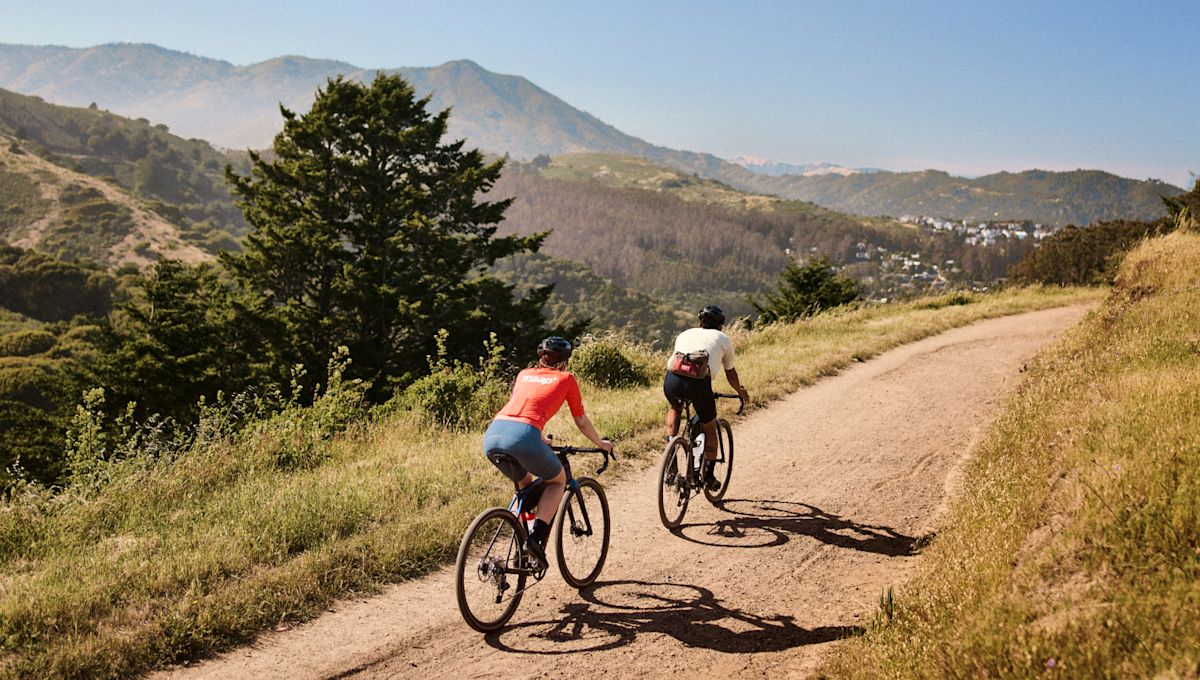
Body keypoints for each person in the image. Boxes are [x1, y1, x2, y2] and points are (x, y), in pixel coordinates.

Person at [482, 336, 613, 569]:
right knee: (557, 482)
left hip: (493, 434)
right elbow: (581, 421)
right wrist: (600, 443)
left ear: (540, 356)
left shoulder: (523, 374)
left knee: (525, 484)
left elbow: (521, 408)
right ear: (565, 361)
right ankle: (534, 539)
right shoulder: (567, 378)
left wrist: (539, 438)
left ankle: (518, 538)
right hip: (523, 436)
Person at [663, 305, 750, 490]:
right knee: (710, 426)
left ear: (699, 322)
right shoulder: (722, 338)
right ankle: (709, 476)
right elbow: (730, 372)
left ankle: (670, 456)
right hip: (698, 384)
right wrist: (740, 391)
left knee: (675, 408)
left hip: (672, 380)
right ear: (720, 325)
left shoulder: (685, 333)